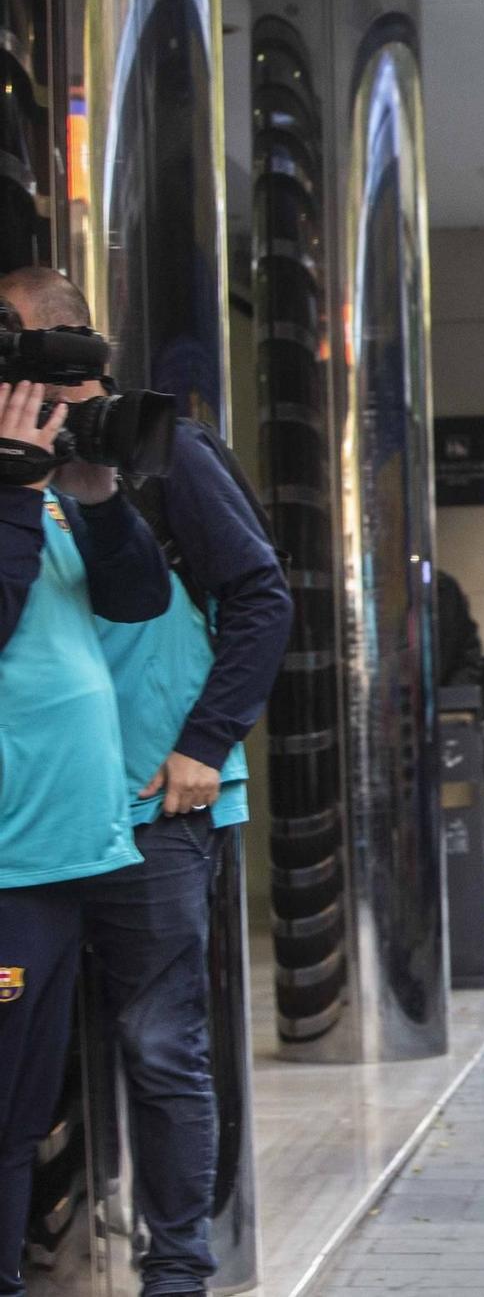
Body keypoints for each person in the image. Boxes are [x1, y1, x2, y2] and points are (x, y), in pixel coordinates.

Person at [0, 267, 294, 1297]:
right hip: (42, 820)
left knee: (158, 1044)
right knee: (40, 1054)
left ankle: (179, 1271)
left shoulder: (161, 451)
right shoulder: (11, 463)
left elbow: (261, 594)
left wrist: (205, 746)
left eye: (27, 339)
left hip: (159, 800)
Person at [0, 376, 172, 1297]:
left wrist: (96, 499)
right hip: (9, 861)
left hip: (64, 857)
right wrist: (19, 493)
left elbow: (139, 596)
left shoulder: (42, 498)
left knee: (21, 1123)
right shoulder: (18, 499)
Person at [434, 568, 483, 687]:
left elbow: (467, 650)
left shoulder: (444, 587)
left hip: (443, 695)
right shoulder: (443, 586)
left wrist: (455, 696)